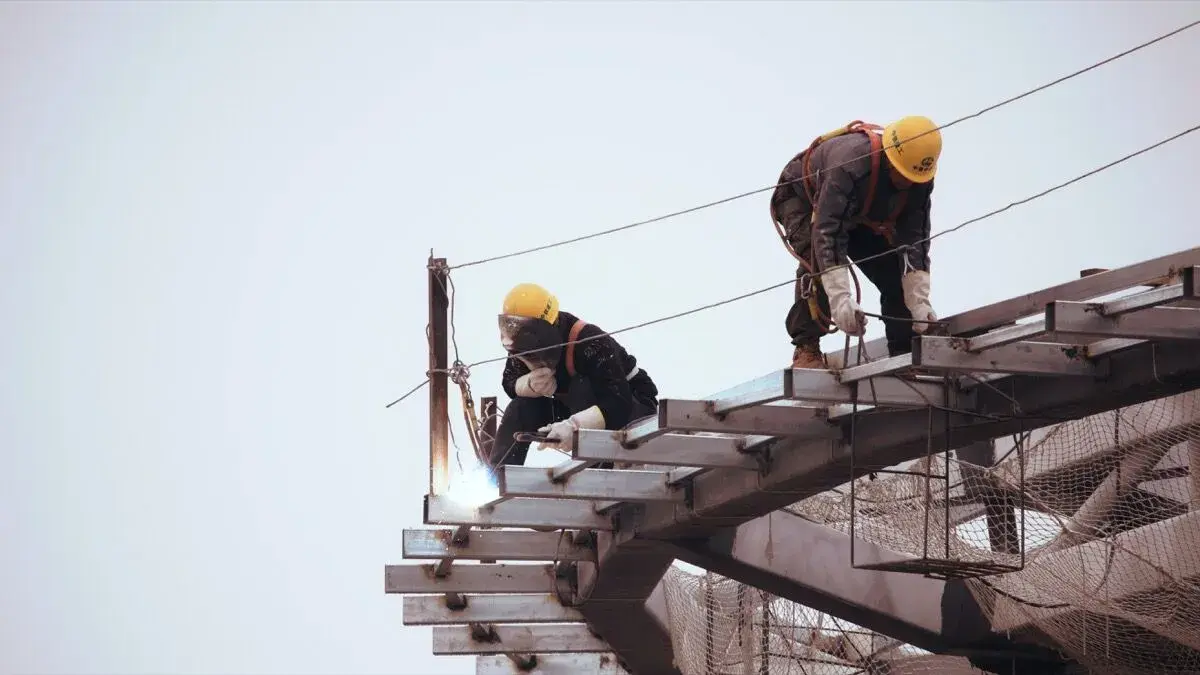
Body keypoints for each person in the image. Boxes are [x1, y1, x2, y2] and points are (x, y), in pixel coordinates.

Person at [768, 116, 943, 370]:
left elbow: (914, 240)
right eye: (901, 174)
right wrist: (841, 301)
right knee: (816, 261)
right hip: (802, 198)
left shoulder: (918, 178)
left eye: (911, 179)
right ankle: (806, 349)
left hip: (855, 211)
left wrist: (918, 301)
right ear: (889, 158)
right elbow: (827, 234)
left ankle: (905, 354)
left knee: (894, 274)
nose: (905, 183)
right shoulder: (850, 165)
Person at [484, 282, 659, 479]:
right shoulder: (521, 345)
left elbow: (618, 403)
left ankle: (597, 476)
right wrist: (529, 385)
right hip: (576, 409)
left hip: (632, 408)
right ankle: (497, 481)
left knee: (580, 388)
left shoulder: (588, 341)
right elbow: (509, 381)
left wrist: (574, 426)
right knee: (520, 408)